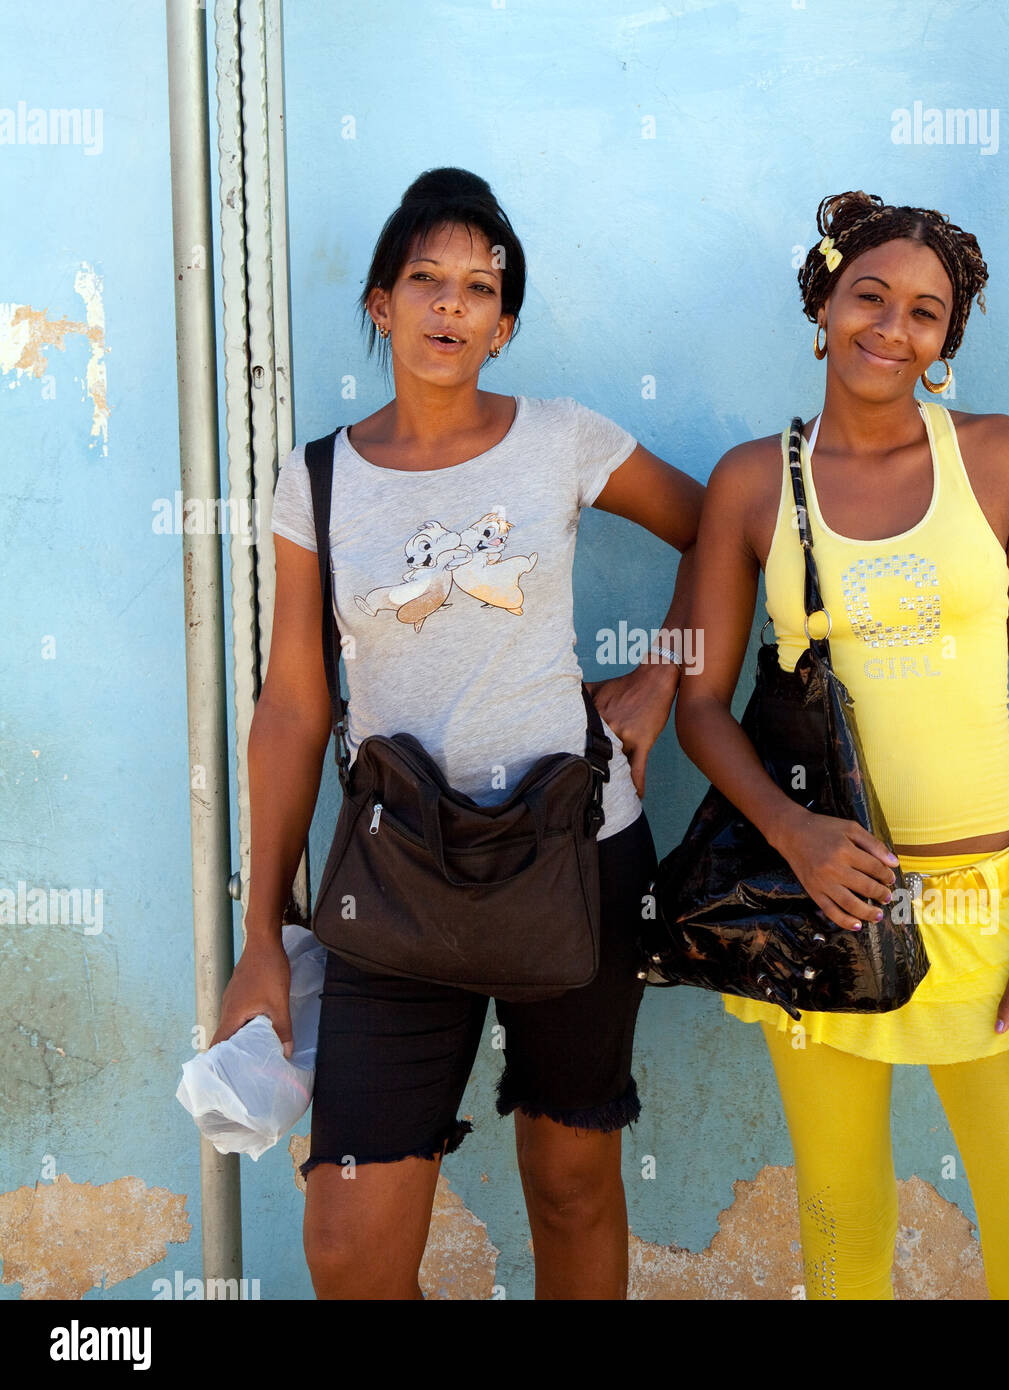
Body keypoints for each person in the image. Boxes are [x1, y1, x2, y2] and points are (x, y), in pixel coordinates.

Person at [210, 167, 702, 1300]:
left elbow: (723, 523)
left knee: (571, 1183)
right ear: (379, 303)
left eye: (477, 287)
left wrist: (660, 681)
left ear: (505, 322)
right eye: (423, 280)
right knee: (346, 1244)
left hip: (575, 859)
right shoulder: (317, 480)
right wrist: (259, 939)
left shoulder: (564, 441)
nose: (449, 306)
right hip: (394, 880)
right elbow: (291, 705)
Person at [674, 191, 1009, 1300]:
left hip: (989, 910)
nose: (890, 328)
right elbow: (700, 705)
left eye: (924, 313)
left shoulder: (1002, 461)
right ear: (823, 301)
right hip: (824, 912)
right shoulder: (753, 482)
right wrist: (795, 833)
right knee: (845, 1237)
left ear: (944, 343)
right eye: (869, 295)